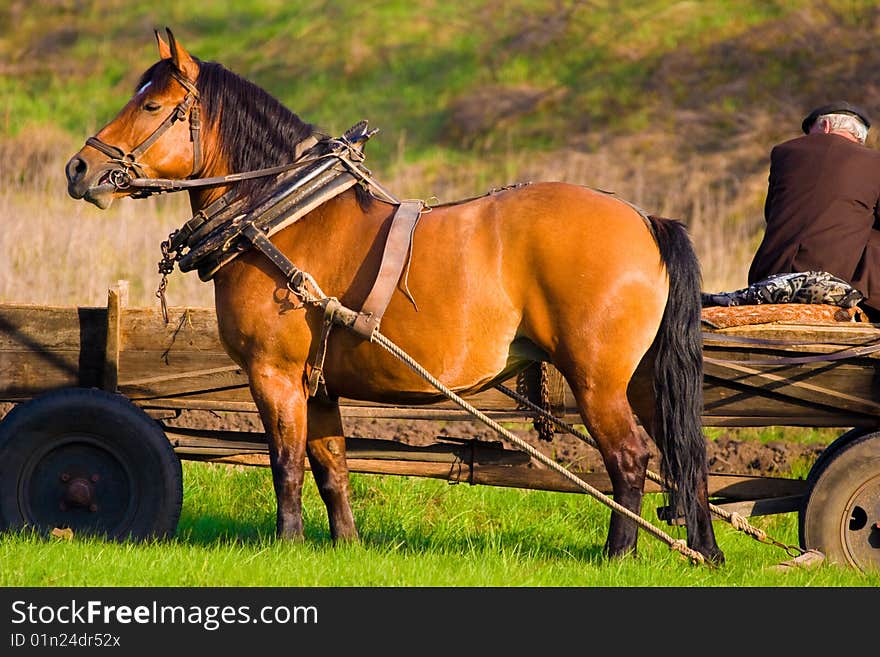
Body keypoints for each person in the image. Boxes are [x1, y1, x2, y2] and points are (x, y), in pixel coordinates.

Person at [748, 101, 880, 320]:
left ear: (826, 126)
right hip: (838, 281)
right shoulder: (874, 162)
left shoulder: (784, 153)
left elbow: (770, 213)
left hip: (771, 274)